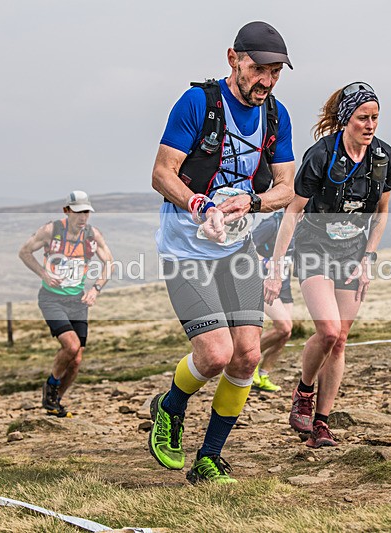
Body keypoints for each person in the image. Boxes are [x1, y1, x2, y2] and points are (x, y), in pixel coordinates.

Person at [149, 21, 295, 483]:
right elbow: (162, 173)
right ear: (234, 59)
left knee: (247, 355)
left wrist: (251, 202)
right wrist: (198, 204)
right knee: (214, 355)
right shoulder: (199, 103)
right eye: (259, 70)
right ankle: (170, 408)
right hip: (186, 249)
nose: (266, 82)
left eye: (275, 73)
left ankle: (209, 457)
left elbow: (286, 187)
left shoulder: (276, 116)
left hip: (237, 249)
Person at [265, 81, 391, 448]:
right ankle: (303, 392)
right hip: (313, 250)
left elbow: (381, 213)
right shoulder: (320, 155)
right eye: (362, 118)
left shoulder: (383, 158)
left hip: (353, 254)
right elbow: (292, 212)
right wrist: (276, 268)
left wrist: (369, 258)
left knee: (340, 343)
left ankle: (321, 424)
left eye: (375, 118)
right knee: (328, 331)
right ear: (345, 119)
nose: (370, 125)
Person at [18, 191, 113, 417]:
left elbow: (109, 262)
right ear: (67, 211)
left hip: (77, 300)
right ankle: (50, 386)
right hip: (52, 298)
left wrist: (96, 288)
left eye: (86, 212)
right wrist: (43, 273)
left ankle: (55, 401)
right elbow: (24, 252)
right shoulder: (51, 231)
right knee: (70, 346)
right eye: (78, 212)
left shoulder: (92, 235)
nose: (83, 217)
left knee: (77, 359)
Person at [251, 211, 295, 392]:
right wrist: (266, 261)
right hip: (264, 281)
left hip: (284, 285)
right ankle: (245, 359)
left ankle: (262, 375)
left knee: (286, 333)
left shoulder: (305, 226)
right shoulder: (272, 224)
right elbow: (248, 248)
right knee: (284, 326)